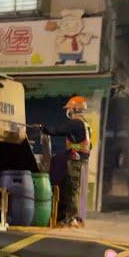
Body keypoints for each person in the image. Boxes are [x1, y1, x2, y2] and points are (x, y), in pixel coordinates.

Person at [39, 96, 92, 227]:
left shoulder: (75, 123)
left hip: (76, 159)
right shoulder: (84, 123)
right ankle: (73, 216)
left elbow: (58, 130)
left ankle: (70, 218)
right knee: (74, 188)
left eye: (69, 108)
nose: (67, 111)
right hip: (81, 159)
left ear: (74, 108)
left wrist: (43, 128)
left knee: (71, 189)